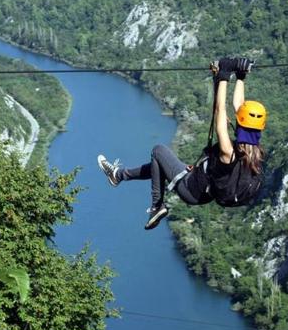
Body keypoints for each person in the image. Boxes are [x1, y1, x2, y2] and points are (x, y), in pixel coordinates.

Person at [97, 57, 267, 230]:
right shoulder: (255, 151)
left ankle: (157, 206)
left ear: (241, 123)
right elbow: (239, 105)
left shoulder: (228, 151)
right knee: (160, 165)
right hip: (205, 187)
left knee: (158, 151)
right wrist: (240, 76)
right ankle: (118, 175)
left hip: (190, 189)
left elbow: (220, 111)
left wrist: (224, 75)